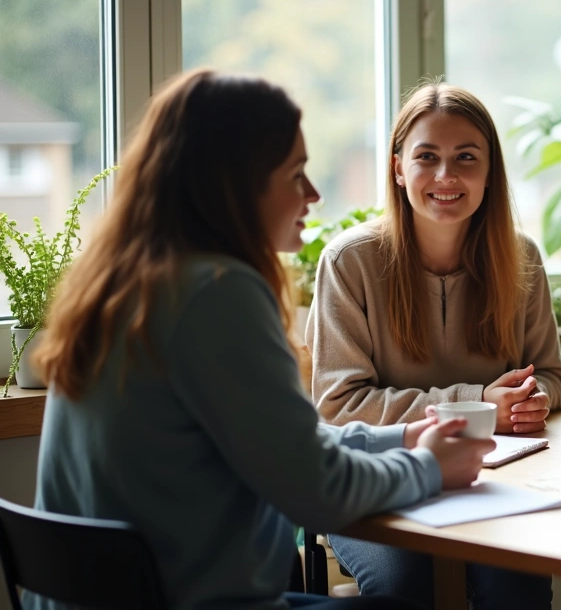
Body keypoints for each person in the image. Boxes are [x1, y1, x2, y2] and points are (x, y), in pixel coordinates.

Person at [29, 69, 494, 610]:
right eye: (296, 174)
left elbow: (291, 448)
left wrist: (404, 439)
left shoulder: (126, 283)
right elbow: (314, 490)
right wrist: (429, 467)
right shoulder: (216, 296)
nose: (313, 195)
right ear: (235, 183)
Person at [308, 83, 561, 609]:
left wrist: (533, 397)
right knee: (407, 587)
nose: (447, 177)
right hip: (375, 485)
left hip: (492, 481)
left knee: (516, 586)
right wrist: (479, 406)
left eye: (466, 158)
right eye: (428, 157)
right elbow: (338, 407)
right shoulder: (348, 262)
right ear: (399, 167)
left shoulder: (522, 258)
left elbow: (555, 376)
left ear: (490, 172)